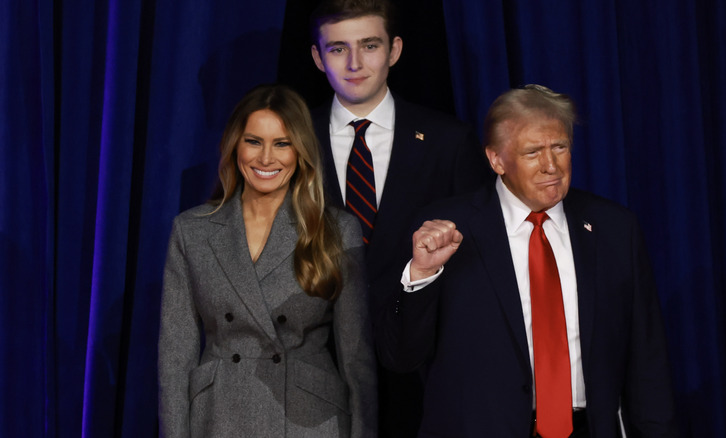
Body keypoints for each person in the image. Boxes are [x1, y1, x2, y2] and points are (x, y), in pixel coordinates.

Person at [377, 85, 678, 437]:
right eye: (533, 151)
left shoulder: (614, 229)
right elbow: (400, 355)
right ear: (496, 160)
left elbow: (647, 361)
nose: (551, 165)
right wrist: (423, 274)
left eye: (560, 147)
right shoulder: (447, 228)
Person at [308, 1, 492, 435]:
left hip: (424, 378)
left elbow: (479, 266)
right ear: (318, 58)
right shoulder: (288, 141)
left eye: (369, 45)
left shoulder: (449, 141)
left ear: (394, 50)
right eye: (337, 49)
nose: (354, 63)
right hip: (314, 381)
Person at [158, 84, 377, 438]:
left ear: (301, 151)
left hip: (310, 419)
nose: (265, 159)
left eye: (282, 143)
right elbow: (174, 358)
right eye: (254, 141)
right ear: (234, 145)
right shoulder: (191, 231)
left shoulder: (336, 230)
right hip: (219, 416)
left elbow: (356, 359)